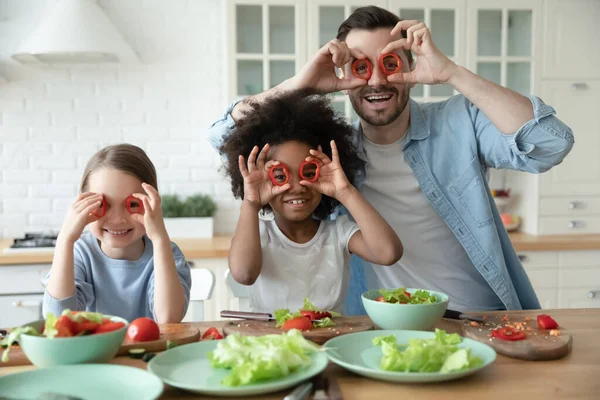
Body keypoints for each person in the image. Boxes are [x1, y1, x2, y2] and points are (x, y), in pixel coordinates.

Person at [209, 6, 574, 314]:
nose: (378, 80)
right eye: (362, 67)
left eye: (390, 63)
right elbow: (221, 136)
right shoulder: (333, 154)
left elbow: (549, 144)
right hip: (383, 325)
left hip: (477, 318)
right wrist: (297, 86)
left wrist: (452, 74)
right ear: (343, 75)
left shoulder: (460, 122)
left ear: (412, 68)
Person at [218, 90, 403, 313]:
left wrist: (344, 190)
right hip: (273, 345)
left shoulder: (339, 233)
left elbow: (388, 253)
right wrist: (251, 203)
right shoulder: (258, 233)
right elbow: (244, 274)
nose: (297, 186)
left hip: (330, 343)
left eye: (309, 172)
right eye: (280, 176)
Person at [43, 144, 192, 323]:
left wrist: (160, 239)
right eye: (102, 204)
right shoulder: (80, 253)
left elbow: (168, 319)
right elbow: (58, 320)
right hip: (94, 352)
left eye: (132, 204)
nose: (117, 219)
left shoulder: (167, 253)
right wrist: (65, 240)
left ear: (153, 204)